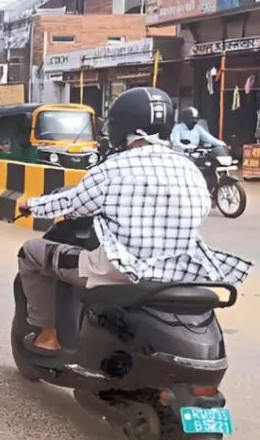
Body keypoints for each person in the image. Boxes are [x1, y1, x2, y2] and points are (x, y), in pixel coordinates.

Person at [16, 87, 250, 354]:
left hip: (121, 269)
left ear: (122, 126)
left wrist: (31, 204)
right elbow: (202, 211)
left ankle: (47, 337)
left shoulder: (113, 168)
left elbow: (73, 204)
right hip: (182, 270)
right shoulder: (190, 169)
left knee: (30, 252)